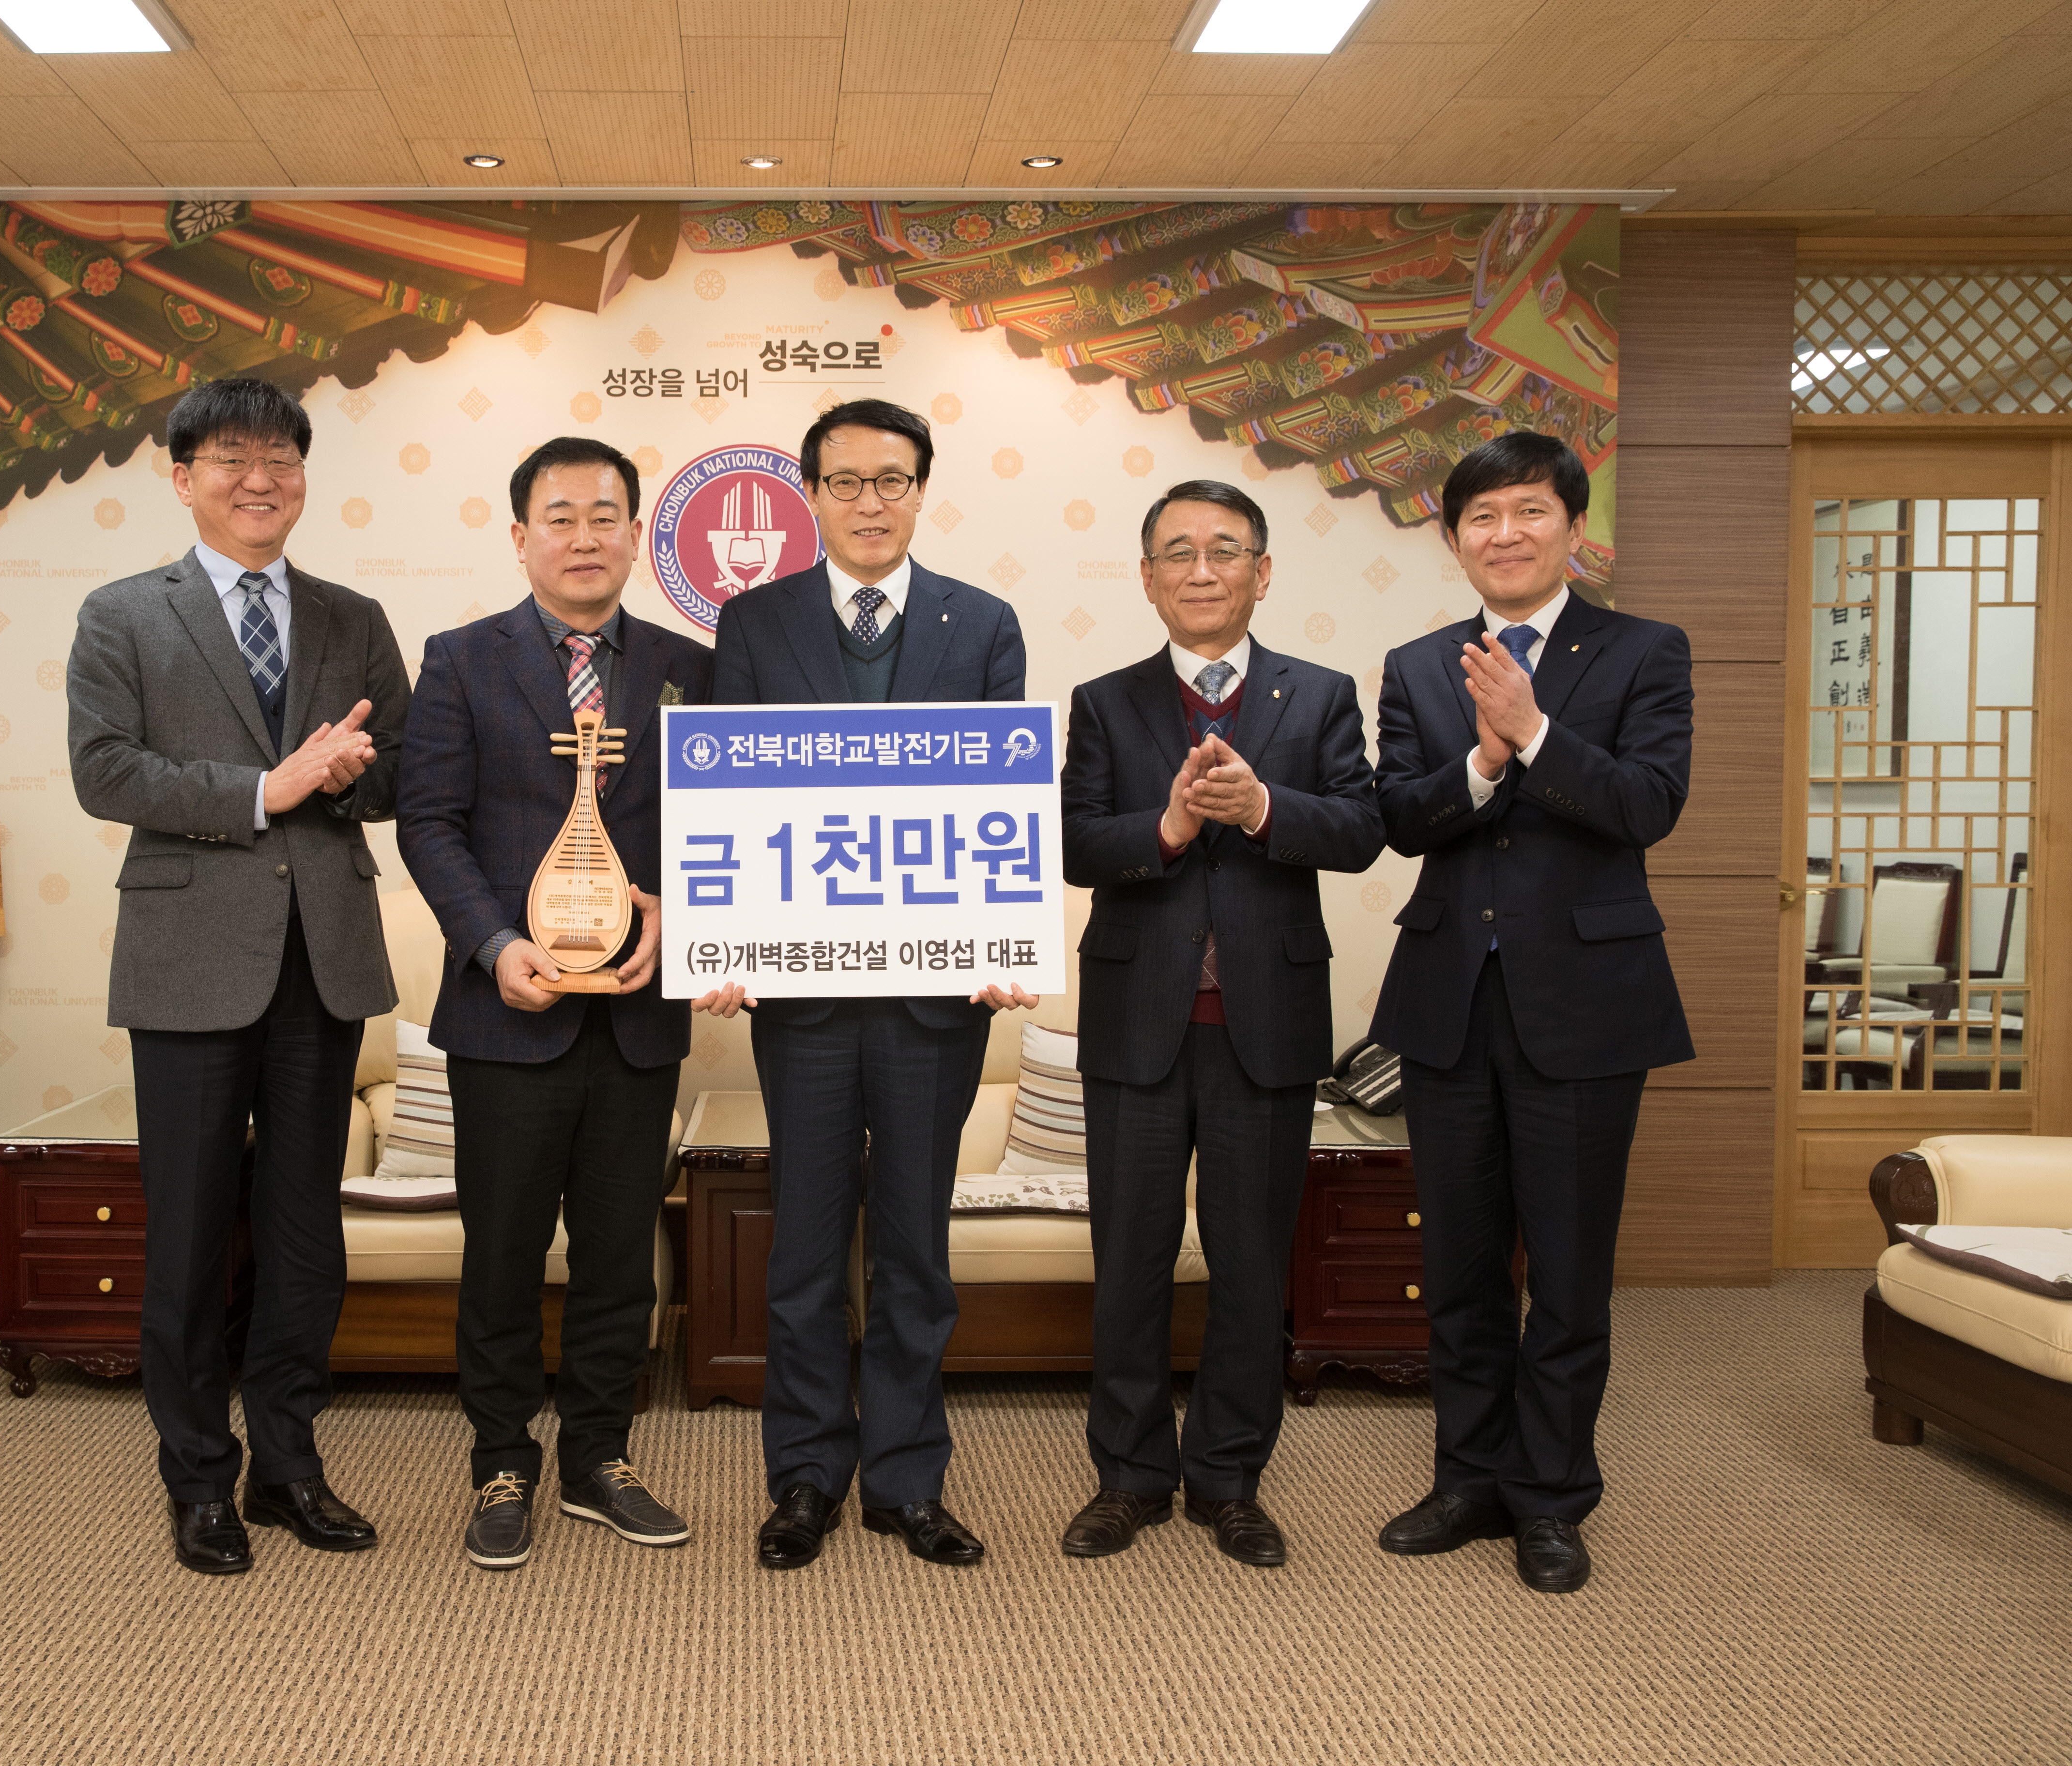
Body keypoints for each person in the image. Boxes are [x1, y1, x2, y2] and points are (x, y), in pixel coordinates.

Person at [67, 377, 410, 1576]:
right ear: (183, 477)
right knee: (191, 1233)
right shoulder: (124, 615)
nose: (260, 479)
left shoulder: (353, 616)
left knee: (305, 1234)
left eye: (281, 458)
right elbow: (106, 773)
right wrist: (272, 787)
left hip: (324, 957)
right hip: (188, 961)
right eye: (231, 458)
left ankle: (289, 1466)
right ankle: (197, 1478)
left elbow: (401, 771)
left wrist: (352, 772)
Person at [697, 397, 1034, 1571]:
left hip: (936, 1005)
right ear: (811, 496)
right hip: (803, 1001)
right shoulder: (755, 621)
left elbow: (998, 798)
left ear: (922, 490)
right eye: (845, 482)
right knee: (803, 1251)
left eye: (892, 480)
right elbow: (730, 788)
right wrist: (725, 942)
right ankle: (805, 1476)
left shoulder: (982, 624)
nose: (870, 502)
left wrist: (1000, 941)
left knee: (914, 1253)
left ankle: (905, 1480)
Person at [1368, 431, 1694, 1594]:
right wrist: (1480, 764)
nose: (1505, 534)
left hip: (1589, 1005)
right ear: (1455, 539)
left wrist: (1538, 732)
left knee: (1566, 1268)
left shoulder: (1645, 650)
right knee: (1459, 1266)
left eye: (1528, 511)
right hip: (1450, 1000)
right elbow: (1399, 818)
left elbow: (1649, 806)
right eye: (1481, 517)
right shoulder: (1418, 664)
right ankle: (1468, 1479)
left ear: (1572, 526)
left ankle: (1552, 1497)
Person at [396, 436, 715, 1571]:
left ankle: (599, 1457)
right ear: (521, 535)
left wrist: (682, 910)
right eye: (562, 516)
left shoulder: (689, 668)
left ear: (637, 534)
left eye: (606, 515)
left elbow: (717, 825)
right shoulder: (460, 661)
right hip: (506, 1018)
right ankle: (500, 1460)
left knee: (621, 1258)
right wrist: (494, 945)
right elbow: (429, 822)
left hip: (636, 1014)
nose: (585, 536)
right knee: (502, 1253)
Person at [1057, 481, 1383, 1567]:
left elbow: (1362, 830)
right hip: (1137, 1022)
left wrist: (1264, 810)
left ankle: (1230, 1480)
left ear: (1263, 571)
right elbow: (1073, 843)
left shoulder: (1320, 695)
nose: (1202, 570)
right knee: (1131, 1263)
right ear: (1149, 578)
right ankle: (1130, 1477)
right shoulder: (1105, 701)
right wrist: (1164, 827)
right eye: (1179, 552)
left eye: (1225, 550)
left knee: (1250, 1267)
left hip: (1267, 1024)